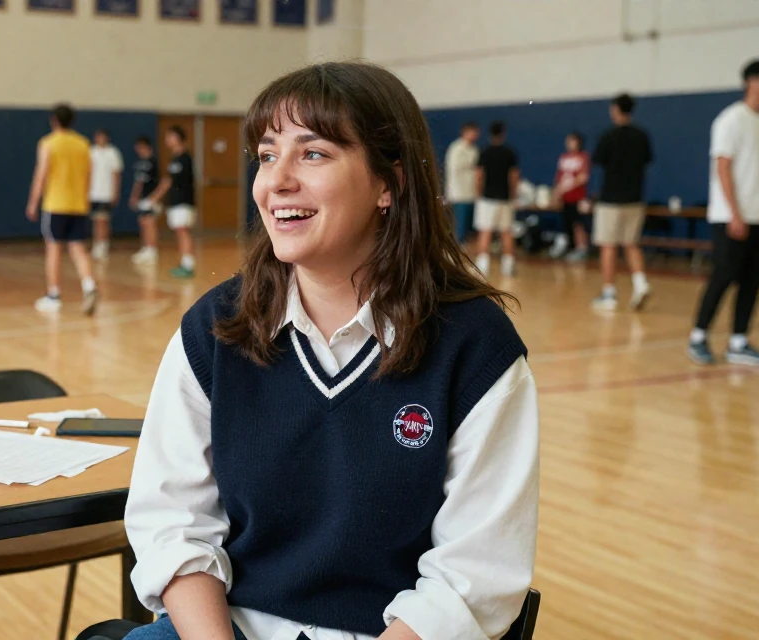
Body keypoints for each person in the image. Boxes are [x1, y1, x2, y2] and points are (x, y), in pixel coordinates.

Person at [123, 62, 538, 640]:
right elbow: (173, 524)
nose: (277, 181)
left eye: (312, 154)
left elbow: (474, 575)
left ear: (388, 183)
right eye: (268, 155)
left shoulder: (476, 348)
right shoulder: (216, 328)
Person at [689, 59, 759, 366]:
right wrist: (734, 213)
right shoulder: (730, 120)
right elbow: (722, 166)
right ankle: (698, 337)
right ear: (751, 81)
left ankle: (738, 342)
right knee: (723, 275)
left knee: (753, 280)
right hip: (730, 217)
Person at [26, 103, 98, 314]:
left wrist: (32, 202)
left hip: (55, 204)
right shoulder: (83, 144)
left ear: (54, 120)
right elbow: (89, 175)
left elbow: (41, 174)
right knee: (78, 249)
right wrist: (84, 199)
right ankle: (90, 286)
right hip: (78, 204)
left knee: (53, 249)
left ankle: (54, 295)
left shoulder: (48, 143)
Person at [590, 94, 653, 311]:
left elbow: (598, 161)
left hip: (611, 200)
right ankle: (640, 283)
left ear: (615, 109)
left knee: (608, 245)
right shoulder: (642, 135)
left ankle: (609, 294)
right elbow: (646, 160)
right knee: (631, 243)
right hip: (635, 199)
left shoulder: (608, 136)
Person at [144, 126, 197, 278]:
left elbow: (168, 181)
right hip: (175, 201)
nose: (167, 140)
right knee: (179, 232)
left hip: (184, 201)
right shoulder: (174, 158)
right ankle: (184, 262)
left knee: (183, 230)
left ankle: (188, 264)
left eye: (170, 136)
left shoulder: (185, 158)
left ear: (178, 137)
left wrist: (154, 197)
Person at [473, 121, 519, 276]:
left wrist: (478, 193)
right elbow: (514, 177)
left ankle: (482, 266)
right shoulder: (509, 152)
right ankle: (508, 267)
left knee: (485, 231)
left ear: (490, 133)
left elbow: (479, 175)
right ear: (503, 133)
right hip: (505, 198)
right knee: (506, 232)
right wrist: (512, 195)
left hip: (487, 198)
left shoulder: (484, 152)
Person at [550, 132, 591, 261]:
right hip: (565, 197)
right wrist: (556, 192)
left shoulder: (583, 157)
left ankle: (582, 248)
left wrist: (568, 186)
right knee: (567, 223)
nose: (568, 144)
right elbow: (558, 177)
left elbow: (583, 177)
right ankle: (571, 247)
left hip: (577, 196)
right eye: (567, 141)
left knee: (578, 224)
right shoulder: (564, 157)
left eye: (571, 141)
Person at [89, 128, 124, 261]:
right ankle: (96, 243)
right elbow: (88, 172)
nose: (100, 139)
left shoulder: (113, 153)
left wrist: (115, 191)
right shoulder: (91, 152)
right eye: (98, 137)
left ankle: (103, 244)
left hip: (106, 192)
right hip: (93, 192)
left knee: (104, 220)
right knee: (96, 220)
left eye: (102, 137)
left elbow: (116, 174)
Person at [444, 121, 480, 245]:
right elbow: (454, 167)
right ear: (464, 132)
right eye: (471, 131)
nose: (474, 134)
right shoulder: (457, 148)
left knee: (468, 225)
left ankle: (464, 246)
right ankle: (455, 246)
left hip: (471, 192)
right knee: (459, 222)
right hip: (459, 193)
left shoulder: (474, 149)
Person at [129, 135, 161, 265]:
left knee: (150, 222)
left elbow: (162, 180)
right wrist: (134, 196)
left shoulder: (153, 161)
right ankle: (146, 247)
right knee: (142, 221)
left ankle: (152, 249)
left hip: (151, 197)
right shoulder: (139, 163)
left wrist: (156, 197)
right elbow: (138, 182)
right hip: (142, 197)